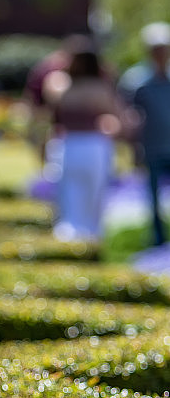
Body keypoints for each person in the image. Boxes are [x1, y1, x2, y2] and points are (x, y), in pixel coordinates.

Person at [44, 36, 122, 243]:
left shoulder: (67, 83)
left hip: (88, 144)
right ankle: (74, 235)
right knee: (71, 192)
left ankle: (87, 236)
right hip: (74, 143)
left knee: (90, 192)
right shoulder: (72, 84)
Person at [120, 23, 170, 246]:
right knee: (153, 200)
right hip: (150, 148)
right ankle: (157, 242)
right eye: (157, 49)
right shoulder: (136, 80)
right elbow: (127, 115)